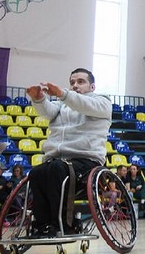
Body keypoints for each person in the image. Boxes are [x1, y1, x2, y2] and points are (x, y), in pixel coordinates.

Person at [26, 68, 111, 238]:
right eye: (72, 82)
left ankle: (64, 225)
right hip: (59, 159)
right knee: (37, 173)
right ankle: (42, 226)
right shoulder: (62, 105)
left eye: (81, 82)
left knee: (57, 169)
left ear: (92, 86)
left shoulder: (102, 102)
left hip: (86, 160)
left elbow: (83, 104)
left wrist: (62, 93)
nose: (75, 85)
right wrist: (39, 99)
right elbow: (48, 111)